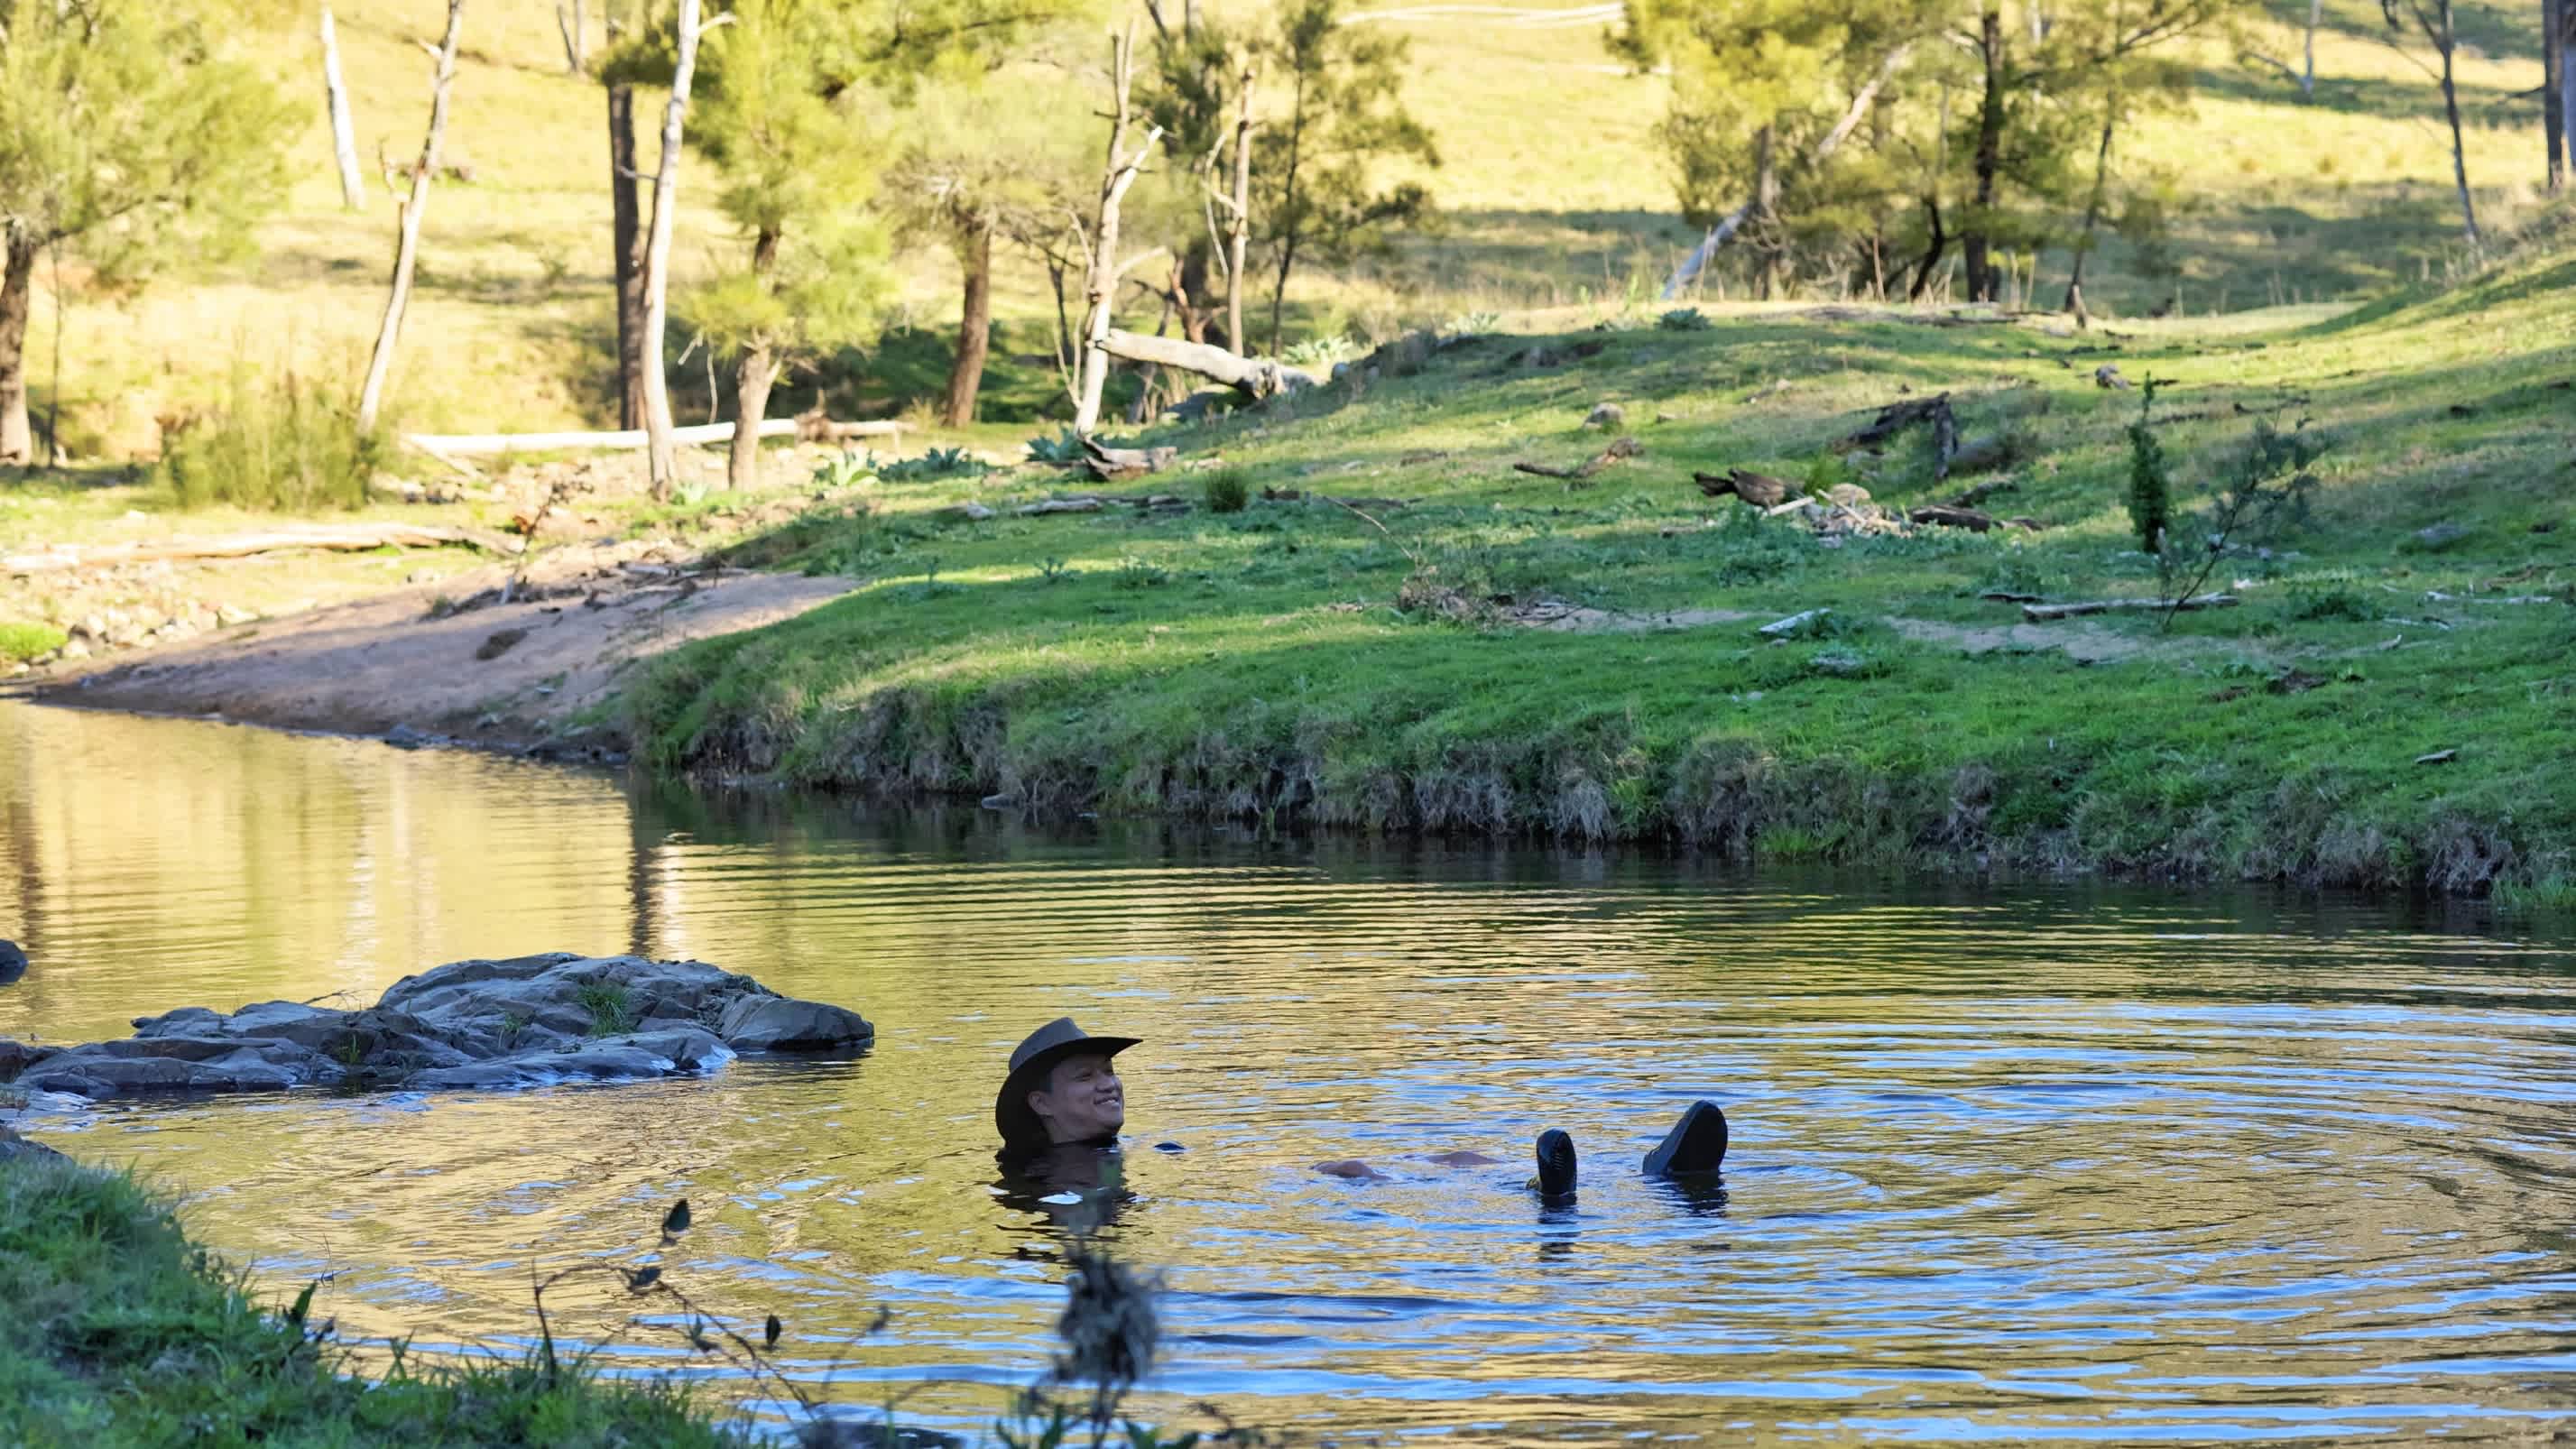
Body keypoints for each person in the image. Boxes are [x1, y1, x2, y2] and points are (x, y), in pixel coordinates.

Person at [992, 1016, 1731, 1202]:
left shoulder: (1113, 1151)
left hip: (1245, 1179)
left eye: (1109, 1073)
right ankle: (1549, 1195)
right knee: (1355, 1168)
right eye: (1086, 1077)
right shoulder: (1052, 1176)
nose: (1109, 1084)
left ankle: (1582, 1185)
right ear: (1040, 1102)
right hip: (1261, 1200)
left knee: (1458, 1155)